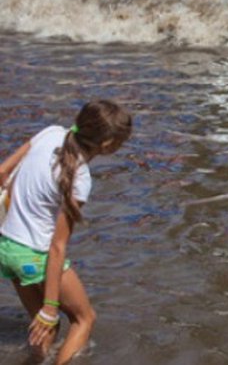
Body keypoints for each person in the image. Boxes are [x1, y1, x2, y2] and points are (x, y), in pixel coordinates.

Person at [0, 100, 132, 363]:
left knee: (43, 327)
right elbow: (57, 247)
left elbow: (3, 171)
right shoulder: (80, 178)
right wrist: (51, 307)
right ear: (107, 145)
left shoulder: (49, 132)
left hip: (6, 246)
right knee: (84, 319)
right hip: (34, 254)